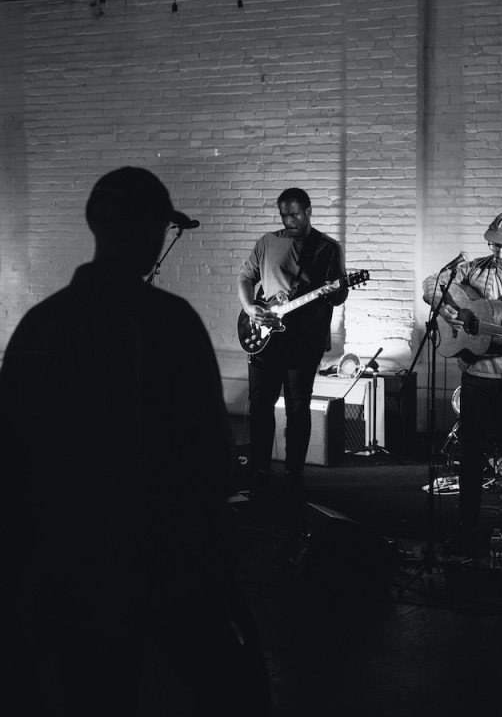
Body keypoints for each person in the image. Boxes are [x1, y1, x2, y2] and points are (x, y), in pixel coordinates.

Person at [0, 167, 270, 716]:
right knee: (235, 687)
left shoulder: (39, 325)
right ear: (151, 231)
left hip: (70, 566)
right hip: (167, 562)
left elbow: (13, 454)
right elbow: (213, 459)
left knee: (96, 694)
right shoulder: (170, 322)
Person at [423, 211, 502, 556]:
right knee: (471, 452)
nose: (501, 253)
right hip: (477, 373)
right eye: (496, 245)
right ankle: (467, 525)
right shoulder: (474, 268)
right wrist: (445, 309)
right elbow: (432, 284)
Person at [237, 187, 348, 493]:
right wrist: (250, 308)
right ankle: (259, 468)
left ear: (308, 211)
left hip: (304, 339)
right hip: (265, 337)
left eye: (294, 215)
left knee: (298, 408)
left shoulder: (328, 248)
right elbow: (245, 277)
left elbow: (340, 295)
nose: (288, 221)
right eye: (283, 215)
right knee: (260, 405)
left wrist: (334, 291)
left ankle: (293, 473)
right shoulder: (267, 242)